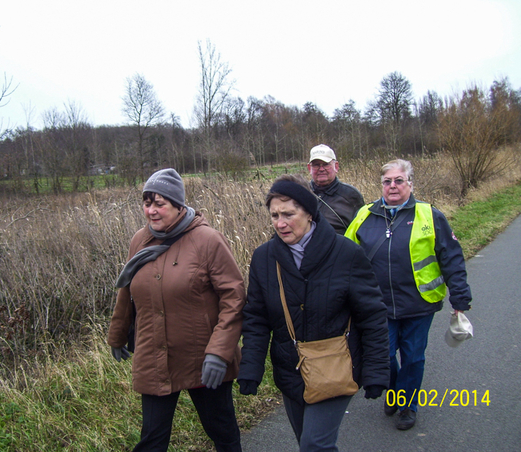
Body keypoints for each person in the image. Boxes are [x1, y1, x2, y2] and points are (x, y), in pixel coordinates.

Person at [238, 174, 389, 451]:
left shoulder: (346, 254)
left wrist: (377, 371)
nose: (280, 223)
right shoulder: (264, 258)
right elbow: (257, 318)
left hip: (337, 366)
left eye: (288, 214)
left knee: (314, 444)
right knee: (309, 444)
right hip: (291, 370)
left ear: (309, 213)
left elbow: (372, 315)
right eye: (274, 215)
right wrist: (250, 366)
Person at [107, 168, 245, 451]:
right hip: (154, 355)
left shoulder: (207, 240)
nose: (152, 211)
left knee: (222, 430)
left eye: (160, 203)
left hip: (203, 359)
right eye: (147, 203)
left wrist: (219, 352)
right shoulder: (139, 241)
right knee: (152, 439)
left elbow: (234, 297)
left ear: (179, 205)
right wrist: (117, 335)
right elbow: (127, 292)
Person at [345, 159, 473, 431]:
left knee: (413, 357)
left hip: (419, 306)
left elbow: (451, 257)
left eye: (398, 181)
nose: (392, 186)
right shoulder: (365, 215)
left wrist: (460, 297)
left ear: (410, 184)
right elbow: (346, 257)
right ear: (381, 185)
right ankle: (394, 391)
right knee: (385, 355)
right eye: (387, 181)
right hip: (378, 306)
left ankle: (407, 405)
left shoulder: (430, 215)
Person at [307, 144, 365, 235]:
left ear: (336, 166)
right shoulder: (301, 192)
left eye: (326, 164)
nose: (321, 169)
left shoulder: (351, 195)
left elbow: (363, 231)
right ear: (309, 168)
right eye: (316, 165)